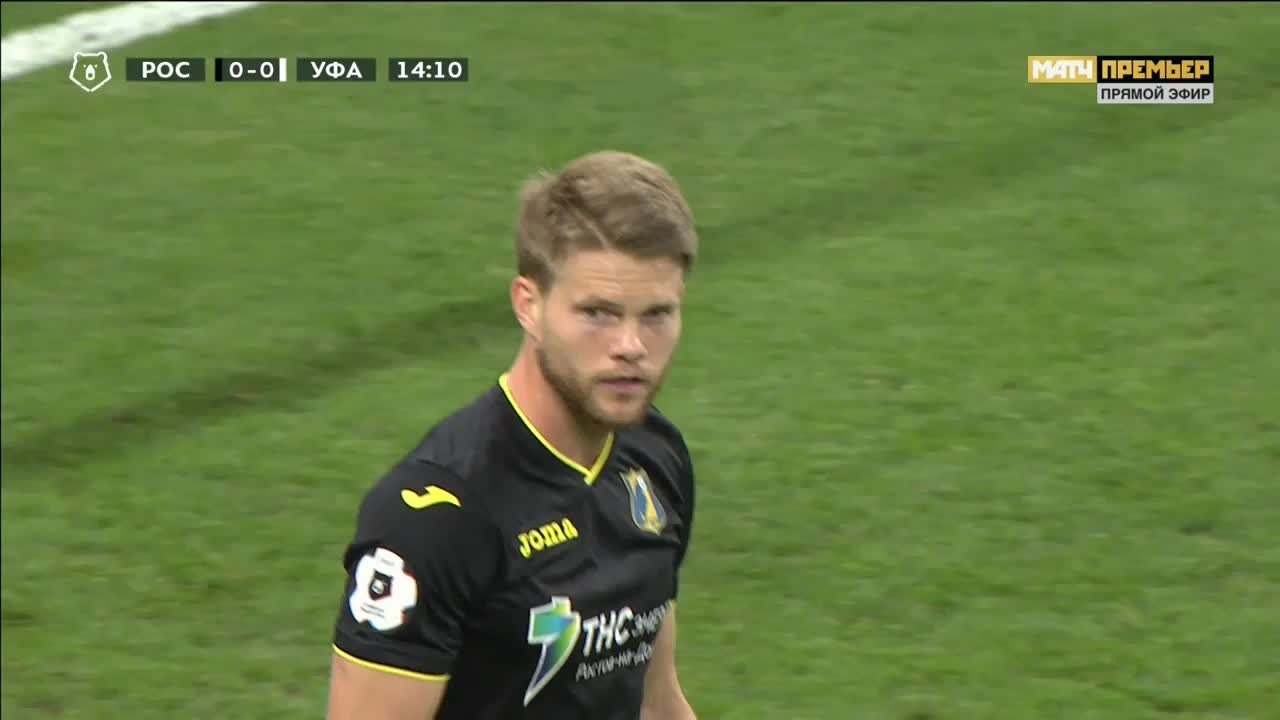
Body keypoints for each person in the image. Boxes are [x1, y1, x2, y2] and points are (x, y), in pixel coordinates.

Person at [325, 150, 700, 719]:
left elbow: (656, 703)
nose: (631, 346)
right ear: (529, 304)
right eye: (598, 313)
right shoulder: (436, 519)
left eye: (656, 314)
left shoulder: (654, 454)